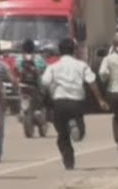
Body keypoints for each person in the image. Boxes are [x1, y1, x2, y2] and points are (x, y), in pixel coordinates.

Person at [42, 38, 109, 170]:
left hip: (59, 103)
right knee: (80, 132)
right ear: (74, 50)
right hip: (76, 102)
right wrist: (100, 100)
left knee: (62, 136)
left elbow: (45, 82)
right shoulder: (81, 65)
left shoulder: (53, 67)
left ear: (59, 51)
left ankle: (69, 162)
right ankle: (75, 125)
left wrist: (47, 98)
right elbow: (92, 82)